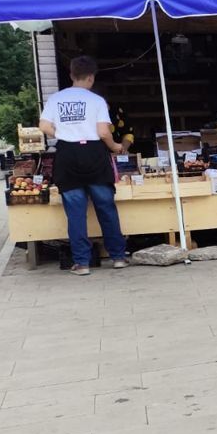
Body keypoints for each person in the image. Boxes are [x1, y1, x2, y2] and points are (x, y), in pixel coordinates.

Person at [37, 56, 129, 276]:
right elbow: (103, 132)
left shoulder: (55, 99)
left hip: (68, 154)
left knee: (76, 212)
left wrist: (64, 133)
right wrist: (115, 146)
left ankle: (82, 263)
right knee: (106, 207)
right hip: (95, 154)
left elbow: (43, 125)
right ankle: (117, 257)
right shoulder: (96, 100)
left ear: (71, 75)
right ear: (91, 77)